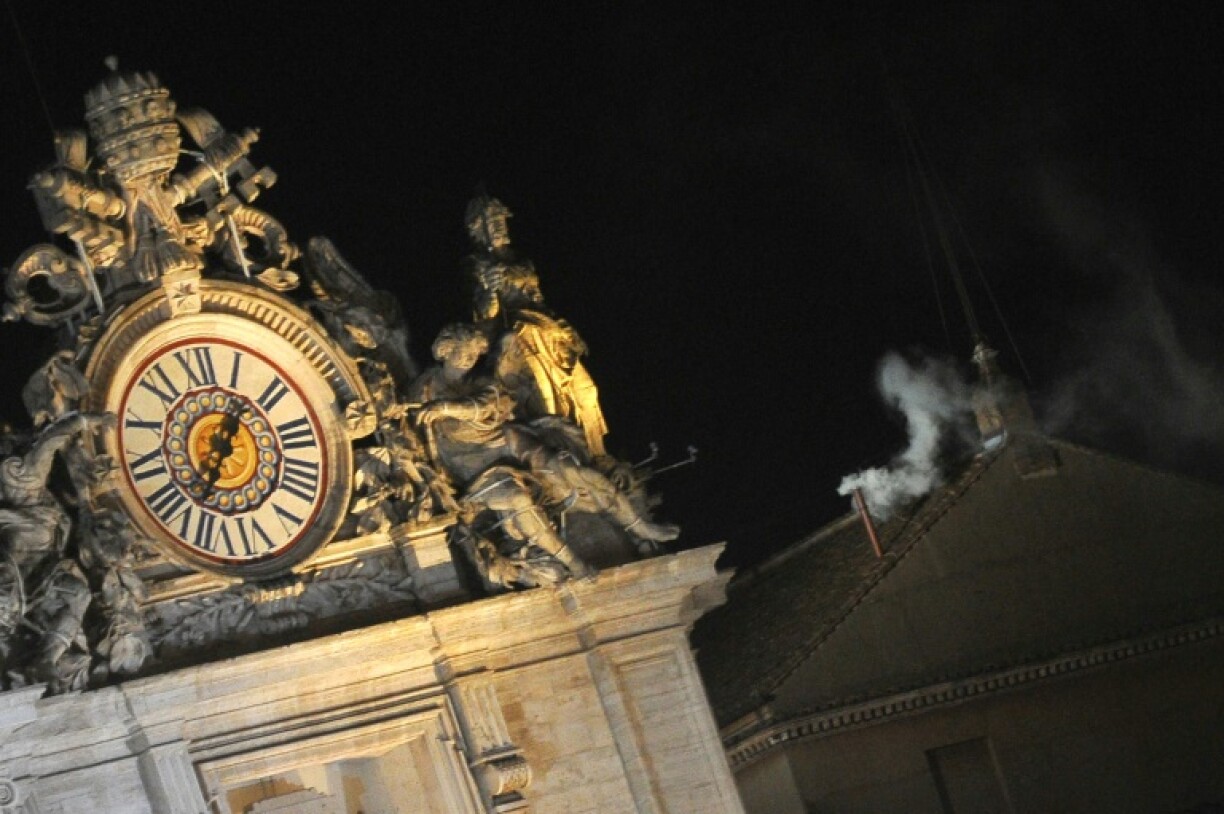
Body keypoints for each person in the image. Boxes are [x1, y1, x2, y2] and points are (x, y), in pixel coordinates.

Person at [411, 325, 677, 582]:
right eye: (464, 352)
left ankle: (639, 526)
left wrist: (446, 408)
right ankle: (574, 563)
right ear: (445, 350)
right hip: (473, 468)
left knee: (572, 471)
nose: (470, 359)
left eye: (474, 355)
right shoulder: (423, 387)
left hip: (508, 442)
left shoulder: (481, 381)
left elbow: (486, 404)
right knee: (517, 500)